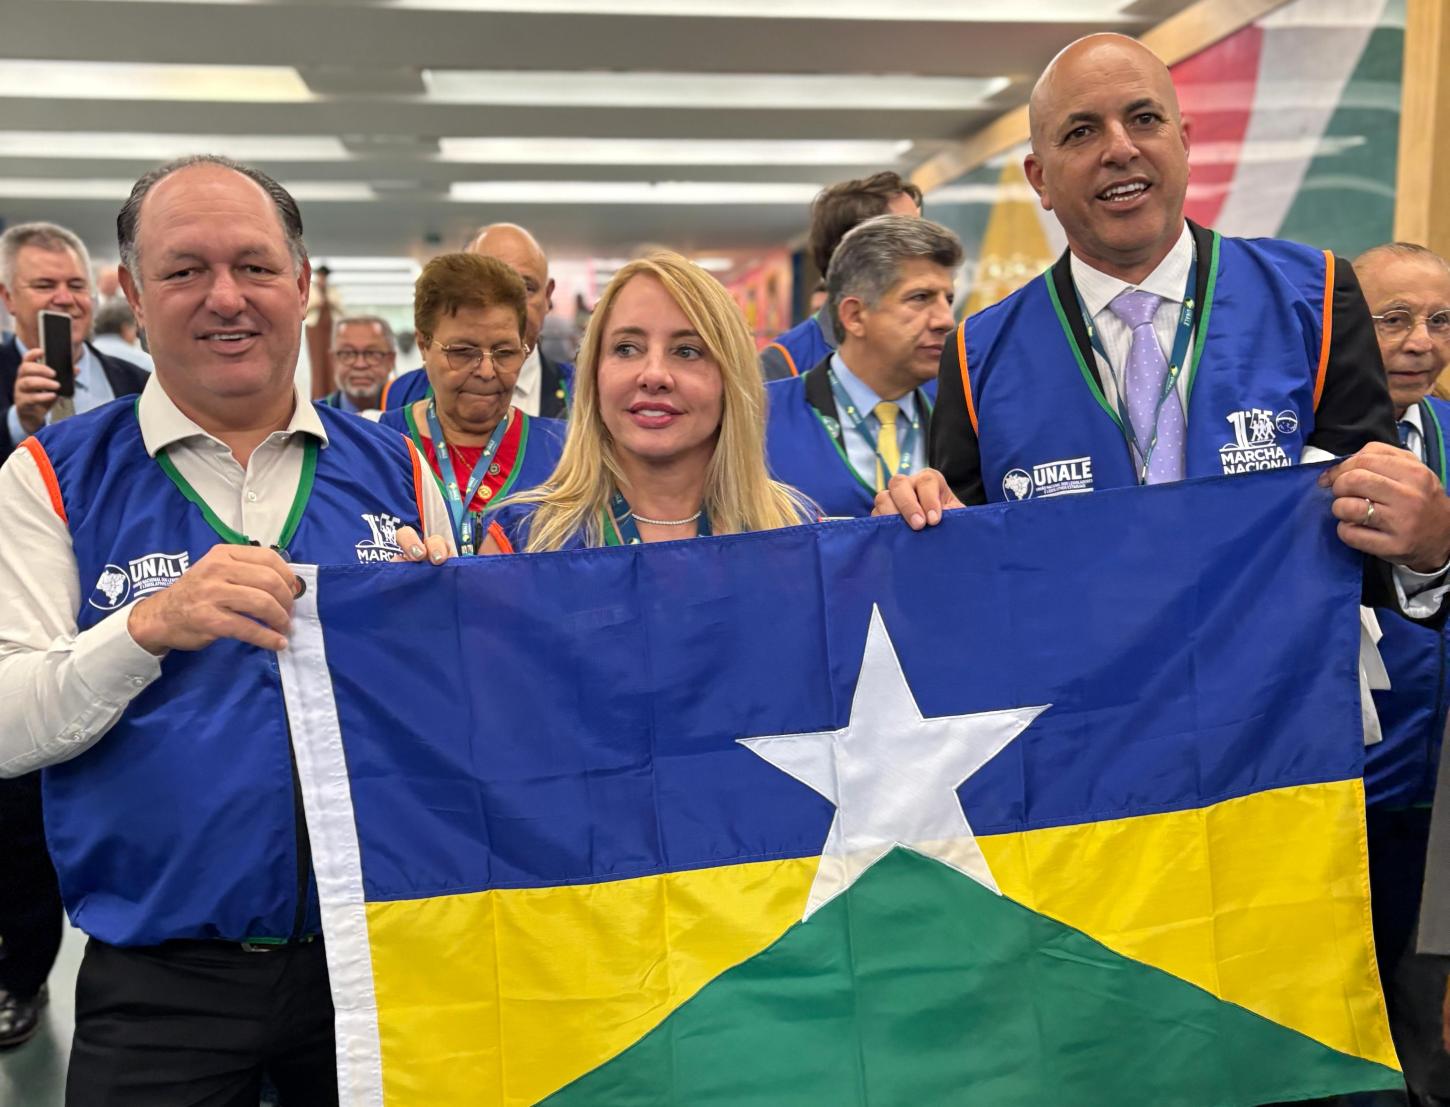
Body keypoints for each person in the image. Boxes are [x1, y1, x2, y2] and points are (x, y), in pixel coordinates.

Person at [0, 153, 453, 1106]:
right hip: (160, 982)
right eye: (183, 271)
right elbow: (7, 725)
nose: (225, 298)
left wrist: (449, 638)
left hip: (379, 962)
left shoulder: (400, 471)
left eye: (253, 266)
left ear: (299, 281)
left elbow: (467, 729)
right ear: (131, 291)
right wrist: (150, 624)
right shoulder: (50, 478)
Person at [879, 34, 1450, 617]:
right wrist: (917, 536)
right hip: (1085, 700)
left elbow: (1377, 551)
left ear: (1183, 141)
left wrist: (1431, 552)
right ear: (1040, 179)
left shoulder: (1318, 298)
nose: (1120, 148)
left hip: (1283, 695)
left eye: (1144, 118)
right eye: (1081, 132)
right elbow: (969, 582)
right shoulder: (979, 355)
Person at [484, 250, 812, 553]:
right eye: (626, 348)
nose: (654, 375)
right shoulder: (522, 540)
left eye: (687, 351)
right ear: (594, 375)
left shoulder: (797, 533)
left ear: (731, 379)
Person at [1355, 243, 1450, 1106]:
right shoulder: (1301, 449)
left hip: (1439, 791)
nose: (1422, 342)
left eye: (1440, 320)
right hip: (1342, 791)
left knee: (1424, 1018)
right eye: (1395, 319)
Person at [765, 215, 959, 517]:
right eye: (920, 297)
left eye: (948, 300)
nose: (945, 320)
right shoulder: (761, 418)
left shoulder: (965, 415)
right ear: (854, 316)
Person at [377, 252, 566, 556]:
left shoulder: (564, 453)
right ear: (424, 344)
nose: (487, 372)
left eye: (505, 353)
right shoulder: (378, 448)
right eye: (463, 352)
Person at [380, 223, 575, 418]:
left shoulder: (582, 390)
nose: (510, 306)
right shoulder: (405, 392)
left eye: (526, 287)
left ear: (548, 296)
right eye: (488, 286)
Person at [1, 222, 150, 454]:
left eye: (76, 285)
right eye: (45, 285)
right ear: (8, 297)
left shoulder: (139, 383)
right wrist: (19, 424)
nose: (65, 298)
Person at [760, 171, 923, 382]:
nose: (926, 247)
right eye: (911, 234)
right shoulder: (783, 365)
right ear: (857, 250)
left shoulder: (932, 355)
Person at [320, 314, 395, 412]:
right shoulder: (316, 416)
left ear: (391, 361)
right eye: (348, 353)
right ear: (333, 361)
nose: (360, 364)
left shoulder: (412, 418)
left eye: (372, 353)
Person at [91, 297, 156, 372]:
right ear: (126, 328)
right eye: (135, 326)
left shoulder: (82, 355)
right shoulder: (144, 362)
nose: (136, 333)